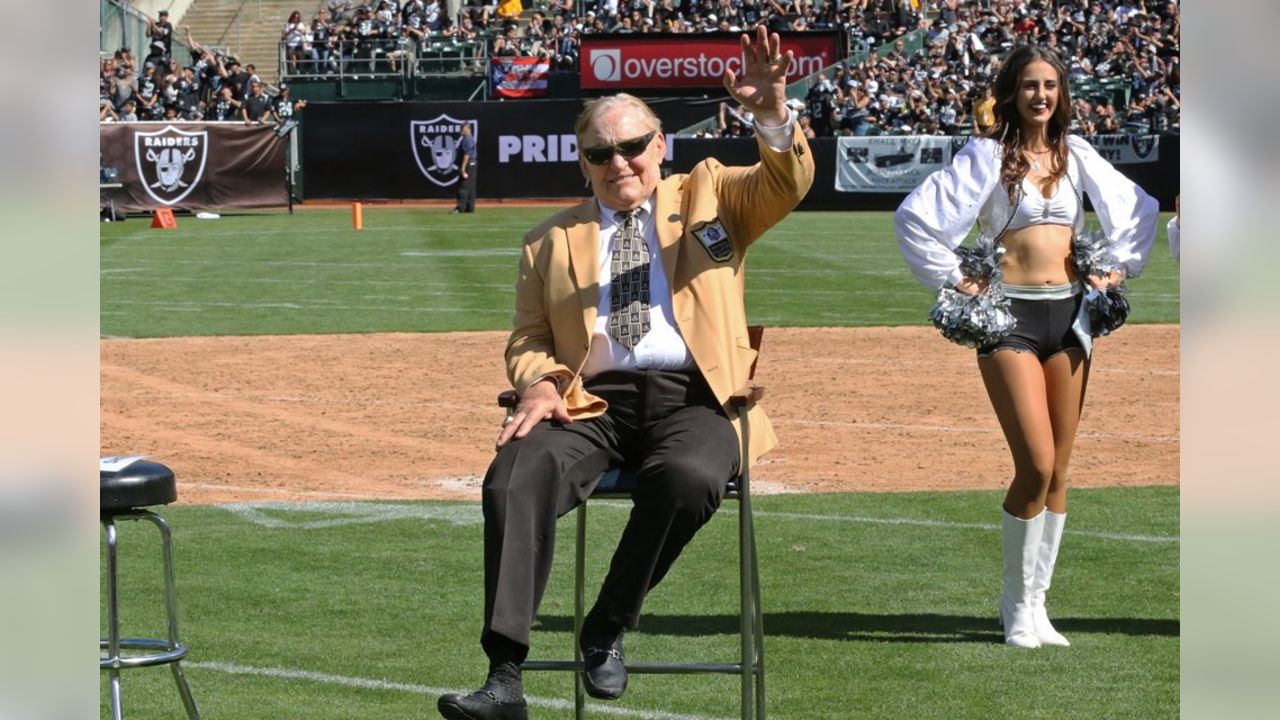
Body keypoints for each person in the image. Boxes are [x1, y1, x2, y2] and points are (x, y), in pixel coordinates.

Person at [436, 25, 813, 720]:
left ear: (660, 144)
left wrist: (770, 114)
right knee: (513, 474)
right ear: (583, 164)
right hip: (590, 404)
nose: (620, 162)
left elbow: (786, 182)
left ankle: (607, 626)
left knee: (693, 476)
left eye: (633, 145)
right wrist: (541, 381)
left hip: (695, 399)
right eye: (601, 152)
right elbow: (527, 336)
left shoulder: (712, 195)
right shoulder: (549, 239)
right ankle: (505, 675)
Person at [893, 45, 1157, 649]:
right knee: (1034, 464)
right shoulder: (987, 155)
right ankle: (1013, 603)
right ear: (1011, 92)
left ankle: (1039, 606)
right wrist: (956, 275)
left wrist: (1115, 269)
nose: (1042, 96)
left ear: (1062, 95)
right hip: (1007, 316)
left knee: (1060, 470)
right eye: (1031, 86)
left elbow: (1137, 210)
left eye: (1051, 86)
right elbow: (916, 218)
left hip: (1070, 317)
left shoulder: (1075, 154)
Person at [452, 122, 477, 214]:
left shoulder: (467, 139)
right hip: (472, 163)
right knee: (470, 187)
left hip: (468, 164)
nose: (461, 129)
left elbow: (466, 155)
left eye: (463, 128)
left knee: (463, 186)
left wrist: (462, 168)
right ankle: (469, 208)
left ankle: (460, 208)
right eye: (461, 127)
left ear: (468, 128)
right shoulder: (468, 138)